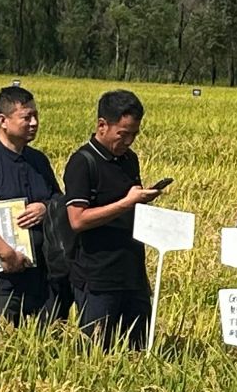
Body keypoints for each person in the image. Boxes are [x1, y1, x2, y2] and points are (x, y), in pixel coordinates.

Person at [64, 89, 166, 349]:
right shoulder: (82, 162)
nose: (129, 141)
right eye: (123, 133)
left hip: (132, 273)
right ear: (102, 125)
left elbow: (128, 205)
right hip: (97, 277)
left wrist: (142, 200)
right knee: (95, 350)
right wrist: (127, 203)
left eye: (134, 134)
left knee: (138, 347)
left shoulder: (130, 160)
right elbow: (77, 220)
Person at [0, 84, 68, 325]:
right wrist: (7, 254)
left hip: (40, 279)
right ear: (3, 120)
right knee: (3, 340)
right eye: (26, 117)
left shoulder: (38, 160)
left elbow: (58, 199)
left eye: (36, 116)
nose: (34, 123)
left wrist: (45, 208)